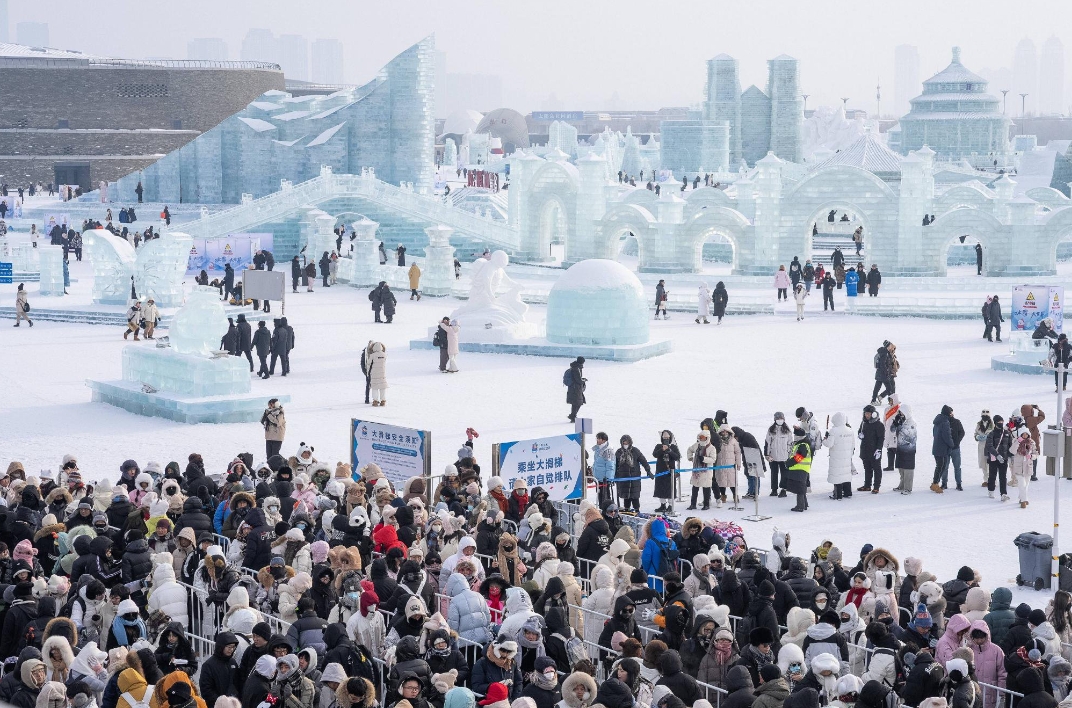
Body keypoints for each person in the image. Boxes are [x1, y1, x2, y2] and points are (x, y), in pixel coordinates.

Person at [985, 415, 1011, 501]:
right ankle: (991, 490)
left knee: (1003, 476)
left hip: (1004, 459)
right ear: (995, 423)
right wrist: (997, 455)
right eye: (999, 422)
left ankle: (1003, 494)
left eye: (1002, 422)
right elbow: (989, 446)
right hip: (993, 459)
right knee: (992, 475)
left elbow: (1010, 446)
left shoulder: (1007, 433)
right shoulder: (991, 434)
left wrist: (1010, 456)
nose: (1001, 424)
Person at [930, 406, 956, 494]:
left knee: (939, 465)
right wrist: (952, 444)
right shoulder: (945, 422)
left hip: (937, 447)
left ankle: (935, 483)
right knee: (941, 466)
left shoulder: (938, 421)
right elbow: (947, 436)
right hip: (942, 448)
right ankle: (935, 483)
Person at [786, 426, 812, 512]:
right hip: (801, 468)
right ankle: (805, 504)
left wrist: (790, 462)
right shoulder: (802, 443)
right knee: (801, 486)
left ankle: (800, 506)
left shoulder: (803, 444)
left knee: (799, 487)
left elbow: (801, 456)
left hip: (800, 468)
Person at [1012, 429, 1037, 509]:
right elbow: (1012, 451)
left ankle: (1021, 497)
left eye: (1026, 434)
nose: (1025, 435)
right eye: (1023, 434)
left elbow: (1036, 453)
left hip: (1028, 467)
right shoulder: (1016, 441)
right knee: (1021, 484)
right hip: (1019, 467)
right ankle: (1024, 501)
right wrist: (1017, 443)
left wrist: (1032, 456)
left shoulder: (1032, 442)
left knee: (1026, 484)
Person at [565, 357, 586, 423]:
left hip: (574, 388)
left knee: (576, 402)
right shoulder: (576, 369)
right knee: (577, 402)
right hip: (575, 388)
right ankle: (573, 416)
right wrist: (583, 380)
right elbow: (578, 380)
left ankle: (573, 415)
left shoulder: (576, 367)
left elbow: (577, 378)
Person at [368, 342, 388, 406]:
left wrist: (368, 372)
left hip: (374, 373)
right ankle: (383, 400)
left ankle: (375, 401)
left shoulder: (372, 355)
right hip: (382, 373)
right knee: (382, 387)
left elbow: (369, 364)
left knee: (375, 387)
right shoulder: (384, 355)